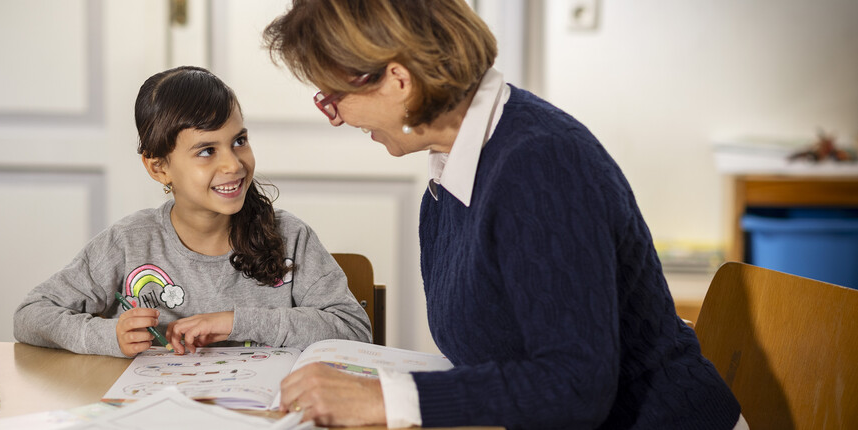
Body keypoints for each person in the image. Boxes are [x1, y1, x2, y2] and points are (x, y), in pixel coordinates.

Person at [263, 0, 743, 428]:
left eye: (334, 97)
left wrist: (389, 399)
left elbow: (576, 385)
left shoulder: (540, 165)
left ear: (398, 81)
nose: (339, 117)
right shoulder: (454, 168)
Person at [13, 66, 372, 358]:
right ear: (159, 168)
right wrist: (108, 335)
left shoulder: (291, 238)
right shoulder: (128, 243)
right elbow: (31, 315)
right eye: (206, 151)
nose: (233, 163)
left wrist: (234, 322)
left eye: (239, 141)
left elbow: (353, 330)